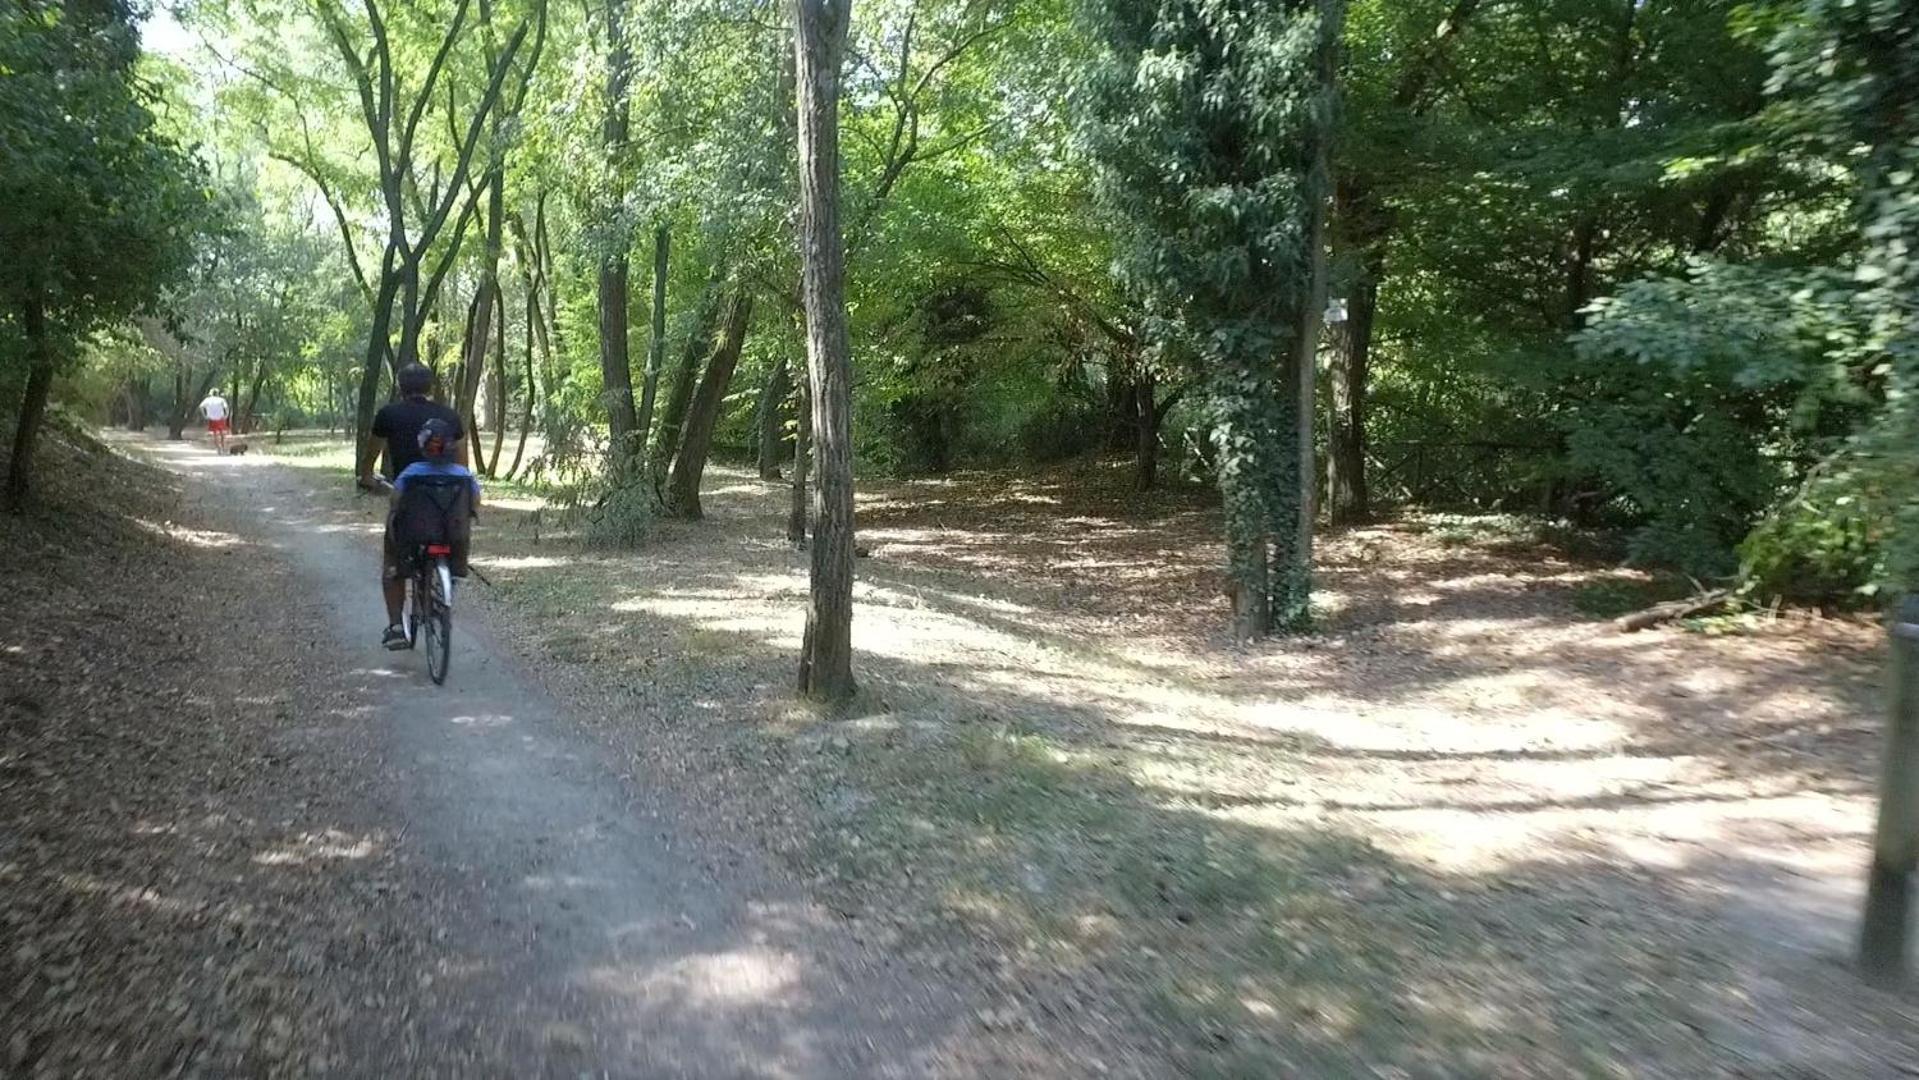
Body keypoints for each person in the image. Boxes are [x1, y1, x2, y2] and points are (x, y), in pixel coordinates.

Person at [360, 363, 466, 649]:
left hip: (409, 505)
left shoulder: (388, 415)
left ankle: (396, 625)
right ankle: (445, 582)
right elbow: (464, 466)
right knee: (450, 539)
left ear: (400, 386)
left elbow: (370, 459)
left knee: (393, 560)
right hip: (447, 509)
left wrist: (368, 477)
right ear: (431, 386)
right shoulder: (449, 416)